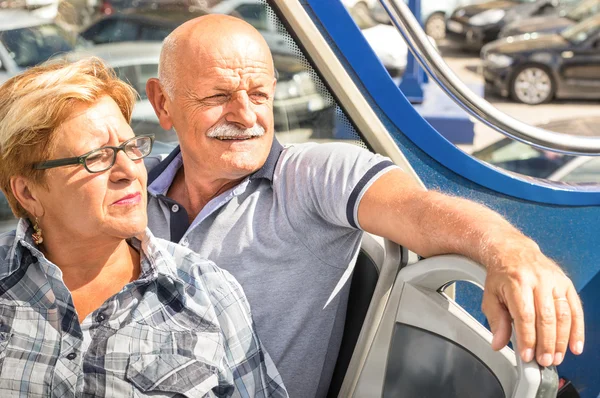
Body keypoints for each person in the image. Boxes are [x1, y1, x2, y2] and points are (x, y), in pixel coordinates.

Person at [145, 14, 585, 397]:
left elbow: (419, 210)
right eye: (219, 96)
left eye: (259, 94)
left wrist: (511, 252)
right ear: (163, 104)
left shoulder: (310, 177)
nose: (245, 115)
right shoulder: (126, 184)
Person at [0, 58, 287, 397]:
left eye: (130, 147)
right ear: (28, 192)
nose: (129, 171)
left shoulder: (204, 291)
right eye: (96, 156)